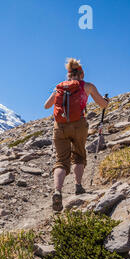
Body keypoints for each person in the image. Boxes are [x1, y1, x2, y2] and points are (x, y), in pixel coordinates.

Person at [44, 58, 109, 211]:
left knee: (61, 161)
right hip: (79, 125)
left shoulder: (59, 88)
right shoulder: (87, 86)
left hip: (59, 127)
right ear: (82, 74)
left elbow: (46, 106)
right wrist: (106, 101)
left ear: (68, 75)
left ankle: (57, 191)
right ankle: (78, 186)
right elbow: (102, 104)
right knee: (79, 154)